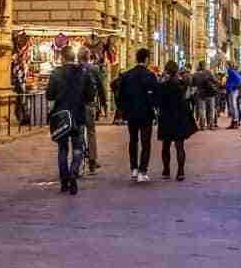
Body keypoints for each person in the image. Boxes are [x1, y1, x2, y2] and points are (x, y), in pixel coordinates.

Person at [46, 46, 95, 195]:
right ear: (73, 58)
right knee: (78, 148)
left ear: (62, 57)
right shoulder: (83, 73)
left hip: (61, 117)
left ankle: (64, 181)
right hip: (78, 116)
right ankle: (74, 171)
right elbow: (91, 95)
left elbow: (49, 95)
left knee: (62, 149)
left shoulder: (56, 73)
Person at [117, 47, 158, 182]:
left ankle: (134, 169)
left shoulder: (127, 75)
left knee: (133, 140)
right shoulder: (150, 76)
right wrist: (155, 110)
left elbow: (120, 95)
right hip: (146, 114)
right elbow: (154, 96)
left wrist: (122, 111)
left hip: (131, 114)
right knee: (145, 142)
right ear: (146, 59)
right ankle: (142, 171)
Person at [157, 59, 196, 180]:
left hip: (166, 117)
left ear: (167, 71)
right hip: (179, 116)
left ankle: (166, 170)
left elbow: (158, 101)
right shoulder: (181, 84)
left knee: (166, 146)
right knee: (179, 146)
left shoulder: (163, 85)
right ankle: (180, 171)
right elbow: (187, 99)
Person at [79, 48, 108, 176]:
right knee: (91, 132)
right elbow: (101, 87)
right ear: (89, 57)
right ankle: (92, 161)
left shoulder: (75, 69)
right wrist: (104, 104)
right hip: (90, 105)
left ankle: (77, 160)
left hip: (77, 106)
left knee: (79, 133)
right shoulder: (94, 69)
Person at [192, 63, 220, 130]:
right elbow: (215, 81)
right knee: (211, 109)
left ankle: (202, 125)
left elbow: (193, 85)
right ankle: (211, 124)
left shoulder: (195, 74)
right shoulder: (209, 73)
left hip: (201, 94)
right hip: (210, 94)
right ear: (204, 66)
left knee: (202, 110)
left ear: (199, 66)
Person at [225, 63, 241, 128]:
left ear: (230, 66)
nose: (225, 67)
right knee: (232, 106)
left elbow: (240, 80)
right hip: (231, 91)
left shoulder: (232, 72)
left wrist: (233, 87)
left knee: (233, 106)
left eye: (226, 65)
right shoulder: (231, 72)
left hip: (233, 91)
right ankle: (234, 121)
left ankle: (235, 121)